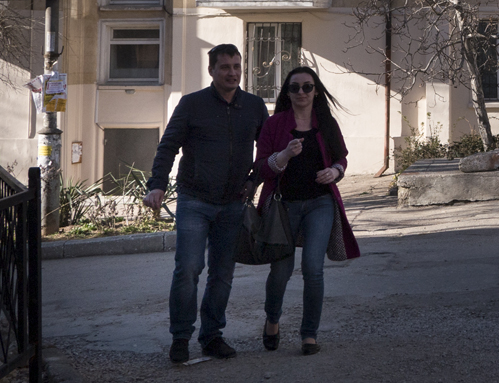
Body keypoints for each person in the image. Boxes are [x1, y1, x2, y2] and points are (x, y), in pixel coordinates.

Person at [144, 44, 268, 363]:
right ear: (211, 70)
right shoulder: (192, 104)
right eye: (225, 67)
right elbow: (168, 147)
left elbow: (266, 153)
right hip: (194, 199)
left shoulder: (254, 106)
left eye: (237, 66)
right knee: (188, 268)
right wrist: (157, 185)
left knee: (222, 274)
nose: (232, 72)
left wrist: (253, 182)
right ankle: (181, 337)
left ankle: (212, 336)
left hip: (233, 204)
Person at [256, 66, 360, 356]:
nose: (301, 92)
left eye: (307, 87)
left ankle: (309, 334)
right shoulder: (275, 124)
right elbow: (262, 166)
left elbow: (341, 159)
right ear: (287, 93)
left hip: (320, 203)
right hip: (283, 205)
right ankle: (272, 320)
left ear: (316, 91)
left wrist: (334, 171)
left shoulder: (326, 123)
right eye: (295, 87)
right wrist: (285, 155)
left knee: (313, 269)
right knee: (281, 270)